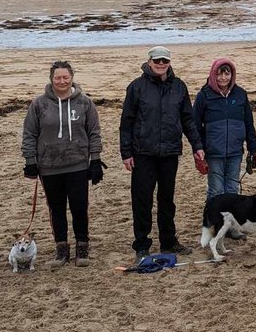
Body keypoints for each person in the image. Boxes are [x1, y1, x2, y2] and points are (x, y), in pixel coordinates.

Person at [119, 46, 201, 260]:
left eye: (165, 60)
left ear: (169, 62)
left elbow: (187, 120)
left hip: (170, 152)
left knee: (167, 199)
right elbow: (126, 122)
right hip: (142, 153)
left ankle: (168, 241)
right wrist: (126, 153)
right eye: (157, 60)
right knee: (142, 199)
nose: (161, 63)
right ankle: (142, 244)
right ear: (149, 61)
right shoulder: (136, 87)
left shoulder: (179, 87)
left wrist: (197, 146)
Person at [21, 61, 104, 267]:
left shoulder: (84, 103)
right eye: (57, 77)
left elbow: (94, 132)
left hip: (77, 165)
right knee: (56, 209)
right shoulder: (39, 104)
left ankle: (82, 247)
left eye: (65, 77)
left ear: (72, 77)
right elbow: (29, 133)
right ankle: (61, 249)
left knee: (79, 208)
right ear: (51, 79)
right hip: (49, 167)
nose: (62, 81)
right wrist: (30, 161)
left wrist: (95, 159)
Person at [193, 58, 256, 204]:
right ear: (213, 75)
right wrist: (198, 148)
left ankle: (230, 223)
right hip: (213, 152)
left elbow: (249, 123)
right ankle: (212, 223)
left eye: (227, 74)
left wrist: (253, 148)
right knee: (216, 191)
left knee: (232, 189)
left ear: (232, 75)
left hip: (235, 152)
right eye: (219, 74)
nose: (223, 78)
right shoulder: (204, 96)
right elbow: (195, 125)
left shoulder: (240, 94)